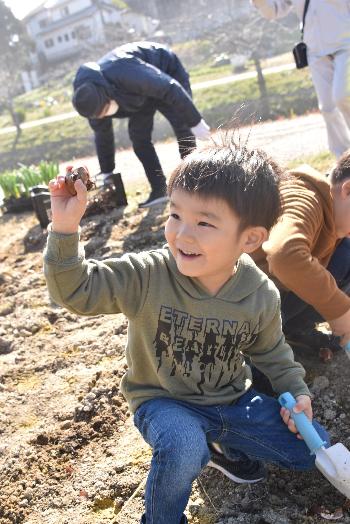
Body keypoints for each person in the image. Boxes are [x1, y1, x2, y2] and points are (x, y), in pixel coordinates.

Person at [44, 139, 329, 524]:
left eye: (204, 222)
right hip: (164, 403)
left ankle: (222, 445)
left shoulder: (258, 293)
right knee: (182, 444)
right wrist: (64, 227)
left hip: (231, 403)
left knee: (313, 449)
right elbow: (76, 290)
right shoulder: (147, 275)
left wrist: (296, 394)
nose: (182, 235)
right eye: (175, 215)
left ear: (249, 238)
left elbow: (272, 353)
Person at [72, 41, 210, 208]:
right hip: (138, 96)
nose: (104, 116)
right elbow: (103, 136)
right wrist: (107, 170)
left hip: (165, 72)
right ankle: (159, 189)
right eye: (100, 115)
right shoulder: (90, 101)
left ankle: (194, 183)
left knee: (182, 125)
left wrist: (194, 120)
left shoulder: (123, 71)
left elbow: (169, 88)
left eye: (105, 111)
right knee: (139, 138)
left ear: (107, 95)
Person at [251, 152, 350, 355]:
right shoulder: (305, 198)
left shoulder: (337, 213)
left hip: (277, 300)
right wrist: (339, 310)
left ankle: (294, 330)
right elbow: (284, 256)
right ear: (347, 190)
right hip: (245, 311)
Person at [251, 0, 350, 158]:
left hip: (346, 44)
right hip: (315, 51)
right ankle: (343, 160)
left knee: (343, 96)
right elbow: (274, 11)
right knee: (328, 108)